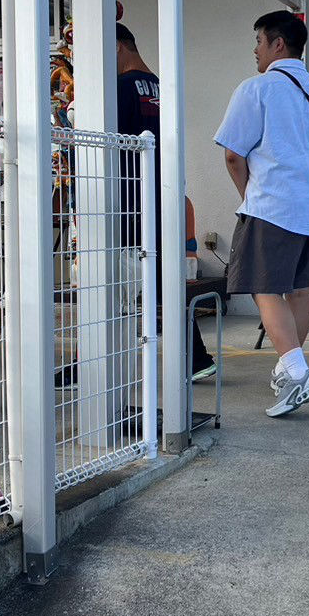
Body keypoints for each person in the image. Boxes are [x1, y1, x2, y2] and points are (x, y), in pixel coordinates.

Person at [215, 10, 309, 417]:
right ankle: (288, 368)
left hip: (272, 205)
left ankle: (298, 373)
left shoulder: (256, 89)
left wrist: (249, 194)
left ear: (277, 44)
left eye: (258, 42)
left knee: (265, 289)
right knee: (299, 289)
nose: (255, 52)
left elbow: (232, 154)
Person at [115, 24, 216, 380]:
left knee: (114, 287)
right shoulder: (161, 87)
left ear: (117, 47)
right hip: (163, 194)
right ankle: (197, 357)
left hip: (125, 200)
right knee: (164, 281)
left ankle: (96, 364)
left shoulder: (118, 89)